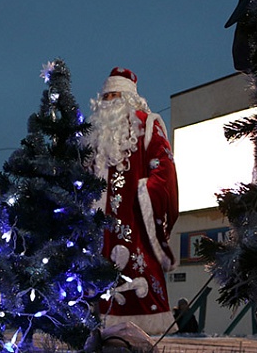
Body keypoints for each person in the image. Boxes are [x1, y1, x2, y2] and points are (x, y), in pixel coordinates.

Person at [85, 67, 180, 335]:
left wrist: (143, 194)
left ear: (129, 98)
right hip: (97, 233)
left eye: (116, 95)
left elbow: (164, 171)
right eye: (107, 96)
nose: (110, 101)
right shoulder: (93, 138)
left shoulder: (149, 123)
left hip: (135, 225)